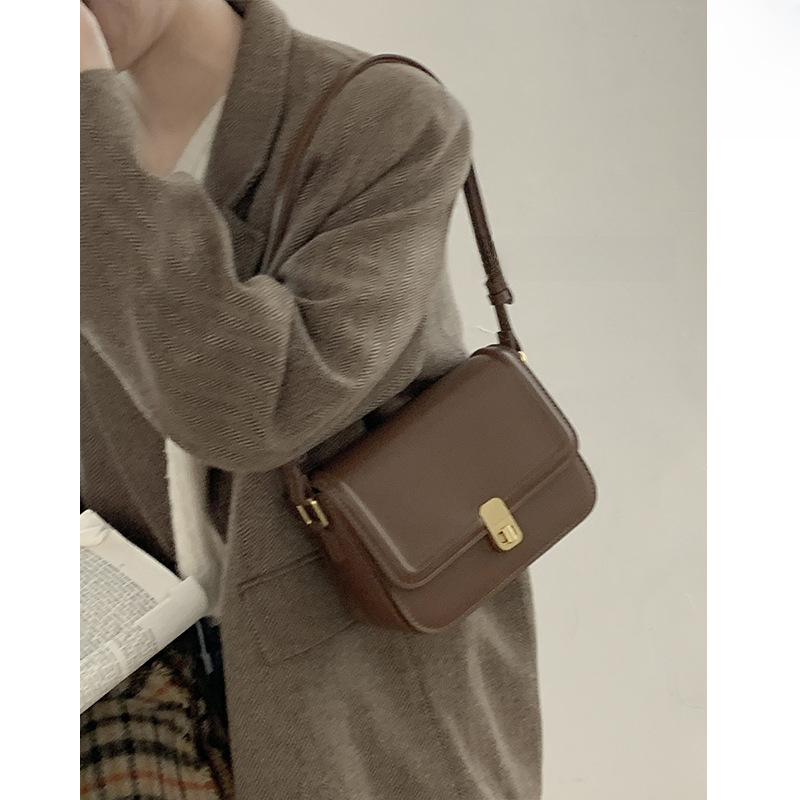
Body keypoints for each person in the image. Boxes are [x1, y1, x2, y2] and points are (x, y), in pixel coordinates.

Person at [80, 1, 544, 798]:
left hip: (353, 682)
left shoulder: (383, 119)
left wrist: (79, 133)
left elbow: (257, 406)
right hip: (132, 693)